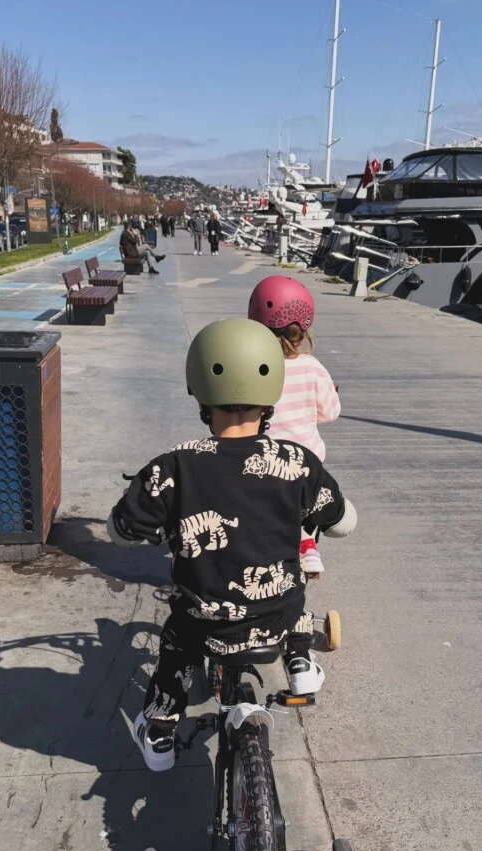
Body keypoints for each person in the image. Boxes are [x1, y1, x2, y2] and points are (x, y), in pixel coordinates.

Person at [107, 317, 357, 771]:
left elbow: (121, 530)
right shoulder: (297, 462)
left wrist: (137, 523)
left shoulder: (174, 467)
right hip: (275, 619)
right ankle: (299, 663)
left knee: (177, 641)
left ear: (201, 394)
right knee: (294, 592)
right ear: (271, 394)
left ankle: (161, 730)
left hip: (205, 624)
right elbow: (343, 524)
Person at [248, 276, 341, 575]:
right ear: (303, 331)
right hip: (307, 464)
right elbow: (330, 412)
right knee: (307, 501)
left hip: (262, 461)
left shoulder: (253, 366)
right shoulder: (313, 367)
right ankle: (306, 542)